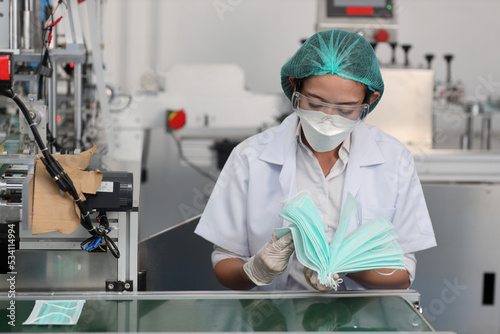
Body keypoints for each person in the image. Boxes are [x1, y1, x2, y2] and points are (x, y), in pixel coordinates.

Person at [194, 29, 436, 291]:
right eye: (315, 103)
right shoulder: (250, 158)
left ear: (370, 100)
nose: (328, 118)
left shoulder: (393, 160)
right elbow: (224, 263)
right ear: (295, 86)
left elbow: (402, 275)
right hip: (273, 321)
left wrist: (344, 267)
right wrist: (255, 270)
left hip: (362, 323)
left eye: (345, 109)